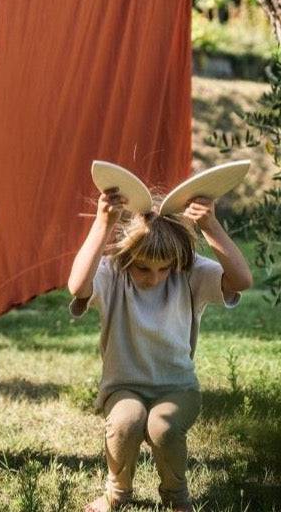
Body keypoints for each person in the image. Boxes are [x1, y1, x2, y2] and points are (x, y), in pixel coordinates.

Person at [68, 186, 253, 511]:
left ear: (176, 261)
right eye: (143, 268)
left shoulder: (189, 270)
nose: (154, 277)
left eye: (163, 268)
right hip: (123, 388)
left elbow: (241, 280)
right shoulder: (113, 272)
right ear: (127, 257)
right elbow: (77, 286)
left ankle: (177, 497)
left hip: (178, 388)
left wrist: (210, 225)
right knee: (127, 421)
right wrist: (103, 224)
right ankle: (117, 493)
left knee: (163, 426)